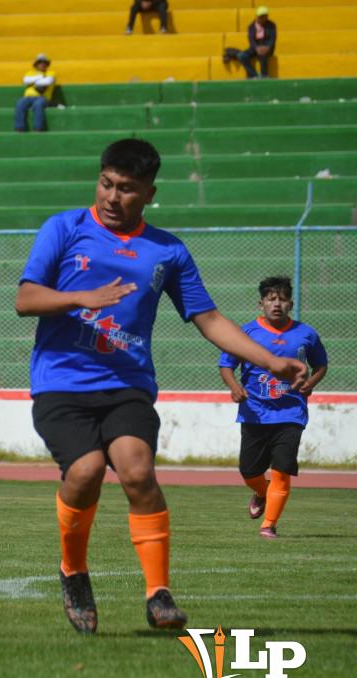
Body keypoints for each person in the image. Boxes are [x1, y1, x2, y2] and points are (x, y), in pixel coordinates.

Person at [15, 138, 307, 635]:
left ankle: (158, 593)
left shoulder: (167, 250)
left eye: (127, 188)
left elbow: (209, 319)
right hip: (62, 383)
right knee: (85, 471)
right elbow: (25, 299)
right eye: (106, 183)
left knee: (137, 472)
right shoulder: (63, 228)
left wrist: (270, 360)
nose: (112, 196)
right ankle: (73, 570)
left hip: (127, 383)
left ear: (149, 193)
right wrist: (82, 297)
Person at [218, 276, 327, 540]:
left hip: (291, 413)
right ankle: (260, 491)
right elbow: (226, 364)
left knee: (282, 469)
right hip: (254, 412)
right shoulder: (246, 333)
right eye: (271, 299)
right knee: (249, 471)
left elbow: (321, 365)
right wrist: (234, 387)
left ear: (290, 304)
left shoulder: (306, 334)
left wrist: (310, 383)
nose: (276, 304)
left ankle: (269, 525)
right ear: (261, 304)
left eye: (282, 299)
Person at [226, 6, 276, 79]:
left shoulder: (271, 25)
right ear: (257, 17)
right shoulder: (252, 26)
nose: (263, 18)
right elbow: (251, 39)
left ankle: (264, 75)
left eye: (265, 16)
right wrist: (257, 48)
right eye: (261, 16)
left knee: (263, 54)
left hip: (267, 48)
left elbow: (272, 39)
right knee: (242, 56)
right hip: (255, 47)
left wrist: (267, 47)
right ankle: (254, 75)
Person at [15, 53, 55, 133]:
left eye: (44, 62)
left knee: (38, 104)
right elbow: (26, 80)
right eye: (40, 62)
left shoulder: (51, 73)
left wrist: (33, 81)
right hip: (28, 97)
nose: (42, 64)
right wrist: (40, 77)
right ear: (36, 65)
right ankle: (20, 128)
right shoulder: (30, 73)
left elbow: (47, 81)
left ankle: (38, 128)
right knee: (20, 103)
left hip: (43, 98)